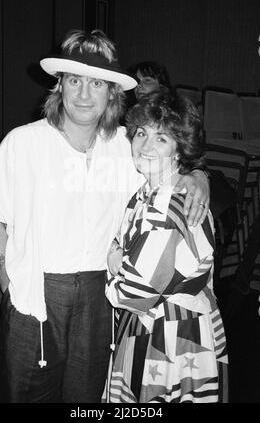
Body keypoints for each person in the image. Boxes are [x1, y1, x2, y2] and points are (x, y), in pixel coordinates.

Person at [0, 29, 209, 403]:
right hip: (34, 291)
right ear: (59, 87)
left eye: (96, 83)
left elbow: (171, 163)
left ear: (111, 93)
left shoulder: (127, 147)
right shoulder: (23, 142)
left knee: (86, 399)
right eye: (75, 81)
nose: (84, 94)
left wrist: (198, 176)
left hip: (102, 294)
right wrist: (8, 287)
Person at [104, 92, 228, 403]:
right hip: (179, 329)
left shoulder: (167, 204)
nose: (145, 145)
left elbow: (134, 294)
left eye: (161, 138)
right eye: (142, 133)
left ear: (179, 149)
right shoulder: (152, 191)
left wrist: (114, 262)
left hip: (168, 339)